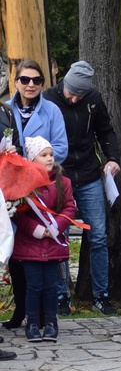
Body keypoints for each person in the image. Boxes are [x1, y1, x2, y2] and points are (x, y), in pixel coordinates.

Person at [44, 61, 121, 317]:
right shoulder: (49, 99)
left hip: (89, 175)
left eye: (80, 94)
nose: (75, 98)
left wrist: (113, 158)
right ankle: (60, 295)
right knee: (58, 235)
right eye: (72, 92)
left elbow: (105, 131)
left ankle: (101, 295)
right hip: (59, 177)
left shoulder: (93, 99)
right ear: (64, 83)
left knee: (98, 236)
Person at [4, 59, 68, 331]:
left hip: (42, 186)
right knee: (16, 249)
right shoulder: (6, 109)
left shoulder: (52, 110)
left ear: (44, 83)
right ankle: (22, 307)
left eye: (37, 80)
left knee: (43, 250)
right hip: (11, 187)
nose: (30, 85)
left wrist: (33, 167)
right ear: (16, 82)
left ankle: (46, 312)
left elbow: (61, 147)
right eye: (25, 80)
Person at [12, 136, 76, 342]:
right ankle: (31, 323)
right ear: (32, 160)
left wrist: (56, 226)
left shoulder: (63, 182)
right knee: (33, 286)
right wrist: (38, 230)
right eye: (44, 155)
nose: (49, 159)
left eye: (51, 155)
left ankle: (51, 323)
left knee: (51, 286)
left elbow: (69, 207)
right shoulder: (24, 184)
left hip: (53, 243)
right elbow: (19, 214)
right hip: (31, 244)